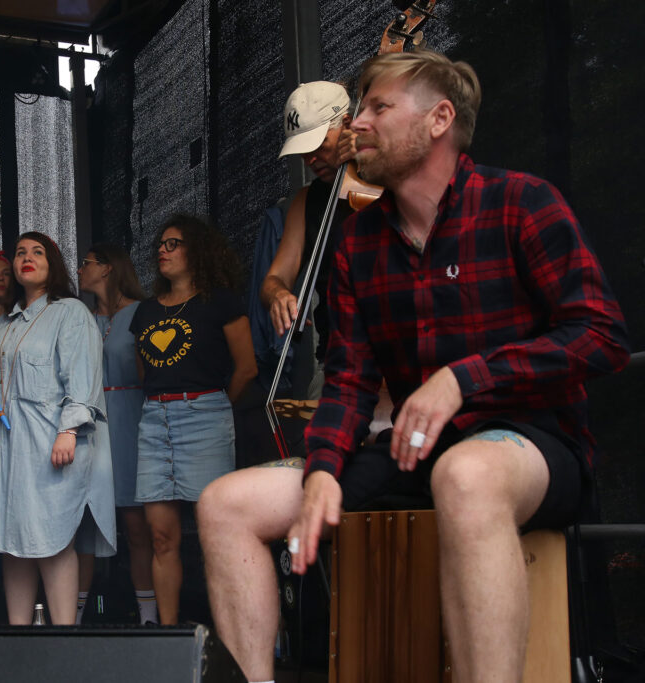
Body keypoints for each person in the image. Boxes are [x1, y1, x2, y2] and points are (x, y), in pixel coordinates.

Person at [197, 50, 630, 683]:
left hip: (532, 445)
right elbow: (348, 379)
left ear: (439, 120)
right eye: (359, 107)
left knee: (467, 473)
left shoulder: (521, 202)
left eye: (378, 106)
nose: (358, 123)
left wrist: (464, 378)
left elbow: (601, 335)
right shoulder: (358, 243)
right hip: (411, 452)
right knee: (225, 504)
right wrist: (321, 470)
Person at [0, 232, 116, 625]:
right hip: (6, 450)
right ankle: (20, 638)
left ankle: (64, 636)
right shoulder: (1, 325)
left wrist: (68, 431)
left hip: (49, 447)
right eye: (20, 253)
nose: (26, 258)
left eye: (37, 252)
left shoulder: (70, 312)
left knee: (50, 538)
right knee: (11, 544)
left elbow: (83, 378)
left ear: (52, 264)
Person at [129, 215, 257, 625]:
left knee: (215, 536)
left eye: (174, 244)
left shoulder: (220, 301)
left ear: (196, 251)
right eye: (161, 246)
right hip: (154, 420)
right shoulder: (146, 311)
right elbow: (144, 374)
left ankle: (228, 630)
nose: (163, 251)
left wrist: (214, 407)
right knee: (161, 536)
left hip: (204, 416)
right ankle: (167, 634)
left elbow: (247, 368)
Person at [75, 243, 156, 624]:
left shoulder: (142, 312)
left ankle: (149, 617)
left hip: (132, 421)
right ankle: (70, 618)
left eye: (87, 263)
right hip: (91, 427)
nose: (79, 269)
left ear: (108, 269)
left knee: (137, 526)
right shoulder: (80, 318)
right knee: (84, 527)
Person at [260, 81, 357, 399]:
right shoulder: (306, 200)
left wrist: (374, 155)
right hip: (336, 360)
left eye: (320, 145)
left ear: (348, 124)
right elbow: (275, 277)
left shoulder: (389, 176)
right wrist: (278, 295)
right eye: (304, 151)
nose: (312, 159)